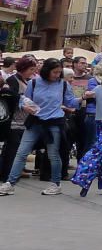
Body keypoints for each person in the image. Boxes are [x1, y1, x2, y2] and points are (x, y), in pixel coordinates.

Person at [0, 58, 81, 196]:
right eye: (54, 72)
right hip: (35, 122)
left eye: (59, 72)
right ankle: (10, 183)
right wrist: (24, 106)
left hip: (54, 123)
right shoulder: (34, 83)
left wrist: (83, 98)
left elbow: (70, 102)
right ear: (46, 71)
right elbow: (24, 99)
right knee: (21, 152)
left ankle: (56, 184)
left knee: (53, 154)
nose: (57, 75)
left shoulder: (63, 84)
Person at [0, 57, 37, 183]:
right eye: (31, 69)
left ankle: (8, 173)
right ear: (23, 68)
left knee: (14, 148)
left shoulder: (27, 81)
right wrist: (22, 103)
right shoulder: (12, 80)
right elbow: (9, 96)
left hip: (23, 120)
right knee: (11, 148)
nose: (32, 72)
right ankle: (6, 175)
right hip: (13, 120)